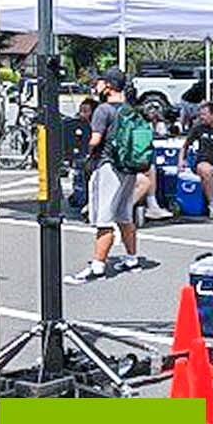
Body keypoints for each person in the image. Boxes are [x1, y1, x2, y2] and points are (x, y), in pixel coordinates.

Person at [66, 68, 140, 283]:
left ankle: (97, 266)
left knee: (103, 218)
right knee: (125, 215)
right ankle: (132, 259)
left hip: (108, 166)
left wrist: (78, 151)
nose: (96, 85)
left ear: (108, 85)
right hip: (129, 167)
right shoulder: (130, 109)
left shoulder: (103, 110)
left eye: (99, 81)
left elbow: (95, 140)